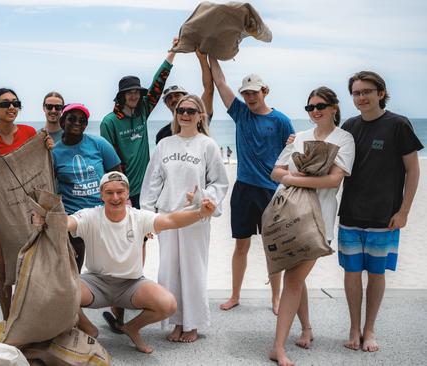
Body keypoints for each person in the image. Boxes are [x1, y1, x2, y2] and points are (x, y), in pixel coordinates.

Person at [33, 171, 217, 354]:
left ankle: (132, 327)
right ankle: (89, 329)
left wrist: (200, 212)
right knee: (58, 292)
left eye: (120, 192)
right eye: (109, 192)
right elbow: (69, 222)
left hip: (132, 285)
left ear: (127, 193)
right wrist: (48, 220)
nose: (115, 197)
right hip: (95, 283)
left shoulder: (139, 217)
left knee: (168, 304)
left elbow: (170, 219)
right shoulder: (89, 215)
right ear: (101, 195)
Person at [269, 87, 355, 366]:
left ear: (334, 107)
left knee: (292, 279)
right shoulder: (300, 138)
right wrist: (296, 176)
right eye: (310, 107)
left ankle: (278, 347)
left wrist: (293, 177)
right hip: (289, 215)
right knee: (296, 277)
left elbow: (333, 181)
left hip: (319, 220)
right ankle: (305, 328)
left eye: (321, 105)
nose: (315, 111)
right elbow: (275, 172)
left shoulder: (344, 139)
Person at [338, 71, 422, 352]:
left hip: (384, 216)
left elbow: (413, 170)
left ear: (381, 93)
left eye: (366, 92)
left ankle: (369, 329)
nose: (361, 98)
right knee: (351, 273)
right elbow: (330, 155)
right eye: (356, 93)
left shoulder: (398, 125)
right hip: (350, 213)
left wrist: (404, 211)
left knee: (376, 274)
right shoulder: (349, 126)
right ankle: (353, 327)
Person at [209, 58, 295, 314]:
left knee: (274, 248)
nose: (249, 97)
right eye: (245, 93)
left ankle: (276, 298)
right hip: (244, 189)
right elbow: (220, 83)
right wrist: (211, 54)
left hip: (271, 191)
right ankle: (235, 295)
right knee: (241, 245)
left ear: (264, 91)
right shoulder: (241, 114)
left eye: (253, 92)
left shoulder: (281, 121)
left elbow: (290, 158)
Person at [141, 94, 228, 343]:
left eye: (191, 110)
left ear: (200, 115)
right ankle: (176, 320)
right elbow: (152, 183)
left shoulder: (207, 145)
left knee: (193, 270)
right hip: (167, 217)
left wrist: (203, 197)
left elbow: (219, 182)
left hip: (194, 216)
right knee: (169, 270)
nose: (185, 115)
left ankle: (193, 324)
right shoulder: (165, 144)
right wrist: (148, 218)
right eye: (181, 110)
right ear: (176, 114)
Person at [0, 88, 40, 320]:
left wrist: (47, 147)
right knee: (4, 271)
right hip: (2, 214)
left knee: (32, 268)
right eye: (4, 104)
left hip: (30, 212)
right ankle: (8, 321)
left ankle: (30, 319)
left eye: (15, 102)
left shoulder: (30, 132)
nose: (11, 107)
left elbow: (37, 167)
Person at [100, 37, 178, 208]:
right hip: (125, 191)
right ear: (122, 96)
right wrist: (121, 190)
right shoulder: (109, 122)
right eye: (129, 93)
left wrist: (172, 53)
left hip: (148, 188)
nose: (134, 96)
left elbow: (158, 83)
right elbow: (110, 159)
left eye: (137, 92)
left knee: (145, 233)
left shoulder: (143, 110)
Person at [52, 103, 121, 272]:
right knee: (73, 270)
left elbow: (117, 177)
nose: (77, 123)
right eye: (72, 119)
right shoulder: (53, 152)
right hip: (73, 218)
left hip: (101, 213)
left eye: (82, 120)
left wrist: (120, 206)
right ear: (62, 122)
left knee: (107, 267)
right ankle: (75, 298)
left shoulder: (99, 143)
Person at [155, 50, 215, 145]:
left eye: (177, 95)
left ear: (186, 97)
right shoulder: (162, 135)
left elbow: (209, 90)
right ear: (166, 104)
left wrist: (202, 59)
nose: (173, 99)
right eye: (169, 98)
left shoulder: (199, 120)